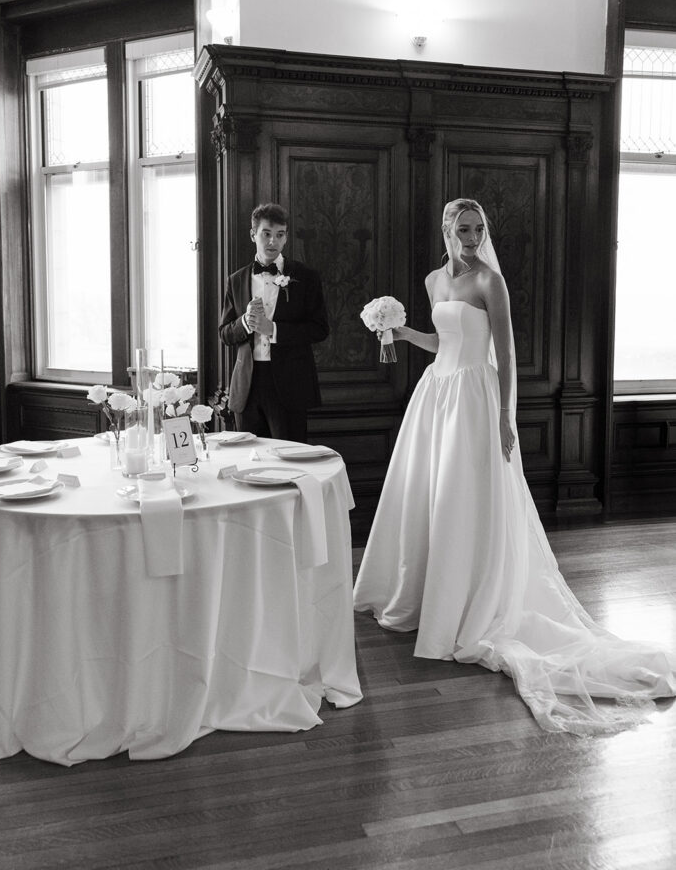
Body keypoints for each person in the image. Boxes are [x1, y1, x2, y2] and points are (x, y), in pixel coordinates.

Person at [353, 197, 676, 734]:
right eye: (463, 228)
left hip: (475, 399)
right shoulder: (434, 281)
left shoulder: (490, 281)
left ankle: (471, 600)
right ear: (446, 229)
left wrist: (506, 417)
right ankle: (432, 593)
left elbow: (503, 353)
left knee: (463, 495)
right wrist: (404, 334)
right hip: (436, 395)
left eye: (478, 228)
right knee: (429, 495)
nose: (472, 237)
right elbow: (444, 342)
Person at [219, 203, 329, 444]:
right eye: (266, 234)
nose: (273, 241)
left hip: (290, 385)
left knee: (288, 457)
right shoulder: (236, 280)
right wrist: (245, 322)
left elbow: (320, 329)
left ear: (286, 237)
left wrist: (274, 330)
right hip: (247, 386)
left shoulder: (306, 277)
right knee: (248, 458)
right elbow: (225, 334)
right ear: (253, 235)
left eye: (280, 235)